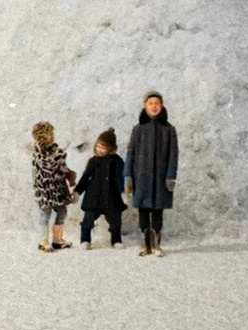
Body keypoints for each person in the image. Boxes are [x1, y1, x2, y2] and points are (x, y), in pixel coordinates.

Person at [124, 90, 178, 257]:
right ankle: (145, 244)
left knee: (157, 210)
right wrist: (128, 175)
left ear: (161, 106)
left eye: (157, 103)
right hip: (141, 177)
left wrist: (170, 175)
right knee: (143, 209)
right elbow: (130, 153)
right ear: (145, 106)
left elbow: (173, 155)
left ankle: (156, 245)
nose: (154, 106)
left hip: (161, 178)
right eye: (150, 103)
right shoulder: (138, 129)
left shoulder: (169, 130)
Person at [73, 128, 127, 249]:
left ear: (111, 148)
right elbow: (86, 177)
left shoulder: (117, 161)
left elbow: (121, 177)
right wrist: (77, 191)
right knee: (88, 218)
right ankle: (85, 240)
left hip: (111, 195)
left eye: (103, 148)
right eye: (98, 146)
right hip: (94, 195)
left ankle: (116, 240)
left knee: (115, 219)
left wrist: (122, 192)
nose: (100, 150)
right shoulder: (93, 161)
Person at [31, 121, 74, 252]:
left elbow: (35, 173)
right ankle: (49, 241)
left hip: (47, 191)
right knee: (54, 213)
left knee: (52, 213)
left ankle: (51, 241)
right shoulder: (55, 153)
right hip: (52, 190)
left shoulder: (37, 153)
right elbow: (61, 169)